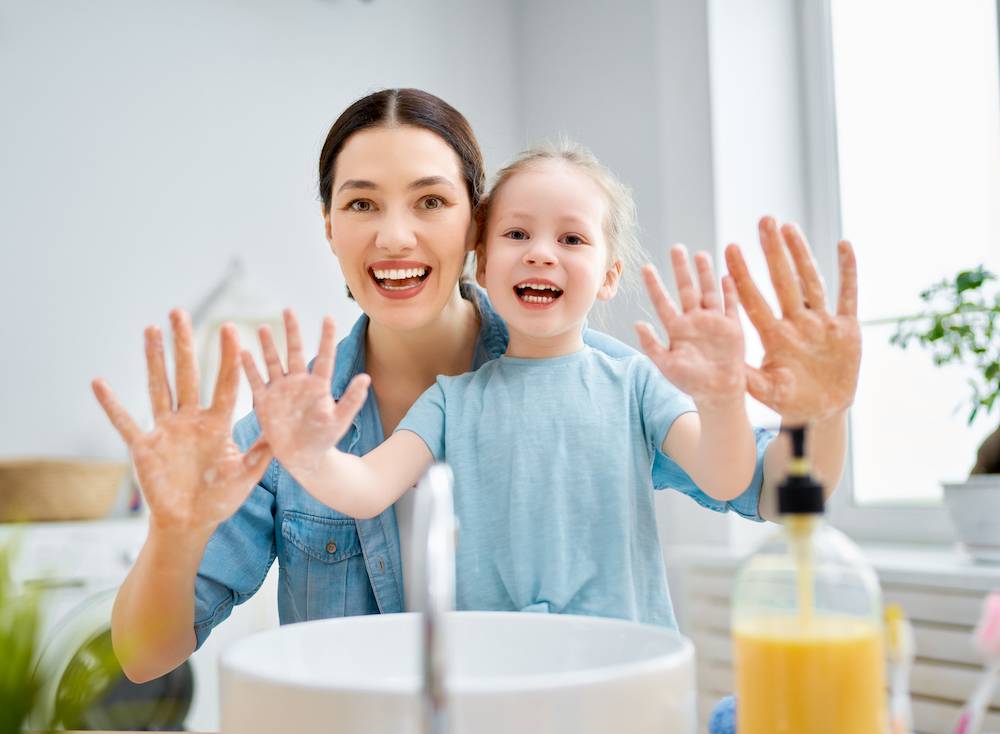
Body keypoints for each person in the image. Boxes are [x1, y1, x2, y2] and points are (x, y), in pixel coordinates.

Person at [91, 88, 860, 683]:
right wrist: (174, 529)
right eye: (361, 203)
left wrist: (821, 410)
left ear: (472, 228)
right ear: (329, 227)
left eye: (430, 201)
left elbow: (774, 486)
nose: (395, 235)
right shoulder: (297, 421)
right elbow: (143, 658)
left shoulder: (599, 376)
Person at [244, 140, 757, 628]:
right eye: (517, 234)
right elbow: (367, 490)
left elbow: (725, 479)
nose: (541, 253)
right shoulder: (451, 401)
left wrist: (724, 399)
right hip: (496, 684)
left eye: (572, 239)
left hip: (622, 685)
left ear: (609, 274)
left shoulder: (635, 386)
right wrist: (308, 453)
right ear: (483, 264)